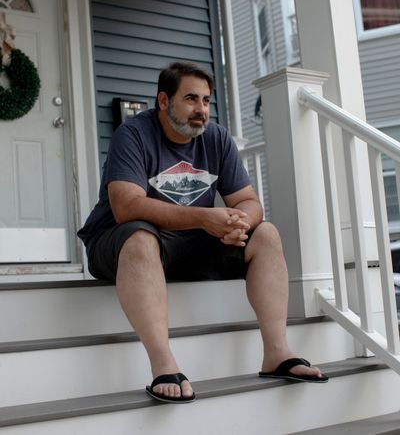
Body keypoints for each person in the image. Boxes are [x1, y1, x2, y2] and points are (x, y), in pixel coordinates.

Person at [78, 62, 328, 404]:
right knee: (139, 236)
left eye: (207, 101)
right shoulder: (133, 134)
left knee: (266, 233)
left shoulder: (217, 138)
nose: (201, 110)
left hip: (191, 245)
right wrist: (204, 217)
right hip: (122, 244)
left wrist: (237, 223)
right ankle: (163, 364)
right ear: (164, 101)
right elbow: (127, 206)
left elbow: (249, 202)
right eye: (192, 99)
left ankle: (277, 354)